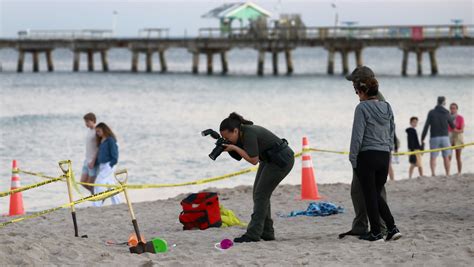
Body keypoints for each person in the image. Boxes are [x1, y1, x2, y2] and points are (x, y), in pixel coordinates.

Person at [218, 112, 294, 243]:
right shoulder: (241, 133)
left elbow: (253, 160)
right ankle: (267, 232)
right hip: (269, 160)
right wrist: (230, 147)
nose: (227, 140)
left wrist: (234, 147)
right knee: (259, 194)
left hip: (282, 160)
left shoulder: (249, 133)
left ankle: (253, 234)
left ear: (235, 130)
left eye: (227, 137)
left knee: (261, 194)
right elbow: (243, 155)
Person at [348, 69, 401, 242]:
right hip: (384, 155)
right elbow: (391, 131)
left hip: (367, 156)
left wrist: (353, 159)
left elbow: (357, 136)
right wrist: (389, 151)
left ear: (363, 92)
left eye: (357, 92)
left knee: (371, 195)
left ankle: (379, 231)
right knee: (374, 194)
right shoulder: (387, 106)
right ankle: (389, 229)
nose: (357, 95)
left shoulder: (361, 108)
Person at [339, 66, 388, 239]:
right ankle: (360, 225)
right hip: (372, 153)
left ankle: (381, 227)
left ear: (361, 83)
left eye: (354, 81)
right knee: (357, 191)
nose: (352, 85)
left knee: (375, 191)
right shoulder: (368, 98)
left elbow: (360, 133)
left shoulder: (373, 101)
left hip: (369, 154)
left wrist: (353, 157)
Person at [421, 96, 455, 176]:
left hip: (434, 137)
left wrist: (422, 138)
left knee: (433, 157)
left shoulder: (431, 112)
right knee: (446, 157)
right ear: (444, 102)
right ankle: (448, 173)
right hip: (445, 137)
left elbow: (426, 126)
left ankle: (433, 173)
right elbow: (452, 126)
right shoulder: (446, 112)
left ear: (437, 102)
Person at [93, 122, 121, 207]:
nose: (97, 133)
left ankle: (96, 204)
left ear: (104, 130)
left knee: (98, 182)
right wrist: (95, 163)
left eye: (99, 131)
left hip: (109, 165)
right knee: (110, 185)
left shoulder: (110, 140)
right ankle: (118, 203)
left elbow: (115, 155)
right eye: (96, 132)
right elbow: (101, 155)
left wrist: (111, 165)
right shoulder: (102, 141)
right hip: (102, 165)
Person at [81, 113, 98, 194]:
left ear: (93, 121)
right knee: (82, 182)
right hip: (86, 160)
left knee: (91, 184)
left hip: (93, 162)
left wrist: (93, 161)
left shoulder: (97, 131)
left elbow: (99, 148)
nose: (86, 124)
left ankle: (97, 197)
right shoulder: (89, 130)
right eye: (85, 122)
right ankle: (96, 195)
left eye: (87, 122)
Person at [448, 103, 465, 175]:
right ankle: (448, 172)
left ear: (456, 109)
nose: (452, 109)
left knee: (458, 156)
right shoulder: (447, 117)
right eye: (451, 108)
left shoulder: (460, 118)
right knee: (449, 156)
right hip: (449, 136)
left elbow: (462, 130)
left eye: (454, 108)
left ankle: (459, 172)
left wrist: (455, 130)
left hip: (458, 136)